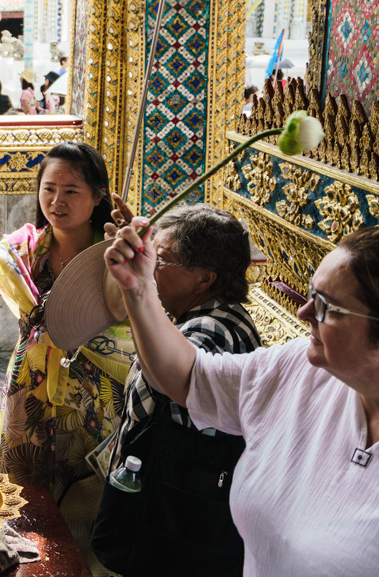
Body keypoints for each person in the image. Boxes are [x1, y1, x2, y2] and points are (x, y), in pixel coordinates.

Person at [104, 223, 379, 576]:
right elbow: (191, 377)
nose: (304, 312)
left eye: (327, 307)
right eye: (311, 294)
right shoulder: (306, 369)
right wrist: (139, 288)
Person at [0, 143, 134, 502]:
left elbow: (136, 314)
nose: (57, 201)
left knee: (85, 499)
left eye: (71, 191)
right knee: (25, 497)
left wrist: (129, 257)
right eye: (49, 189)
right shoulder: (26, 249)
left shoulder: (112, 251)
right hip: (29, 389)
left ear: (98, 197)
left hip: (94, 393)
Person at [89, 205, 261, 575]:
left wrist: (137, 287)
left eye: (162, 260)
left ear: (204, 279)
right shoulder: (198, 314)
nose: (152, 268)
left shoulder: (212, 330)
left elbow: (168, 381)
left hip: (176, 516)